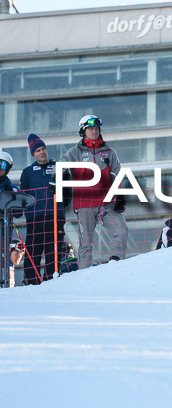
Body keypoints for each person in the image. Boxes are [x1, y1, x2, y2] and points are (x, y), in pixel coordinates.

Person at [53, 115, 128, 269]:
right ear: (83, 131)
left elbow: (117, 174)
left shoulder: (109, 152)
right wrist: (58, 176)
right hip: (85, 204)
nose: (94, 131)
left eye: (96, 128)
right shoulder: (75, 152)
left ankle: (115, 264)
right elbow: (61, 165)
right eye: (90, 128)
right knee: (85, 243)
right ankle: (84, 274)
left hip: (107, 203)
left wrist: (119, 195)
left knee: (121, 230)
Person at [20, 134, 67, 283]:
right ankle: (32, 284)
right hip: (35, 217)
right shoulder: (27, 172)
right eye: (38, 150)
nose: (42, 152)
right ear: (33, 154)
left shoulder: (58, 167)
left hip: (55, 216)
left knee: (53, 252)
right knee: (33, 252)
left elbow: (67, 191)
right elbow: (23, 195)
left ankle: (51, 282)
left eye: (43, 149)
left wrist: (61, 205)